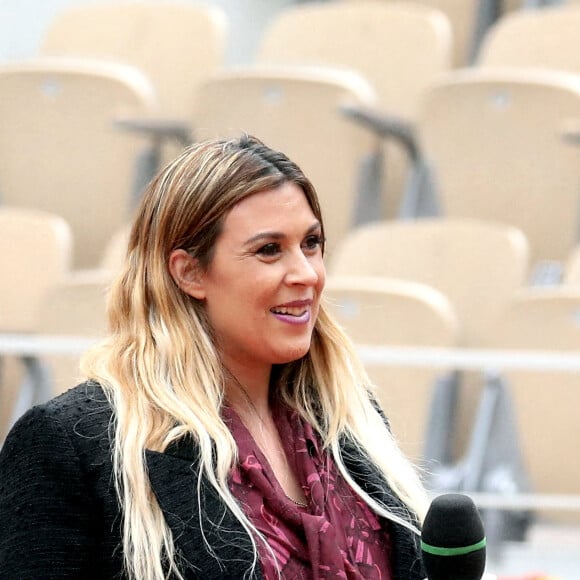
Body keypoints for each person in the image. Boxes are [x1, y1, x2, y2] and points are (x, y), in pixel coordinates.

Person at [0, 135, 428, 579]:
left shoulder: (351, 417)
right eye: (269, 250)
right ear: (189, 272)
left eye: (312, 243)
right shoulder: (69, 443)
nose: (305, 273)